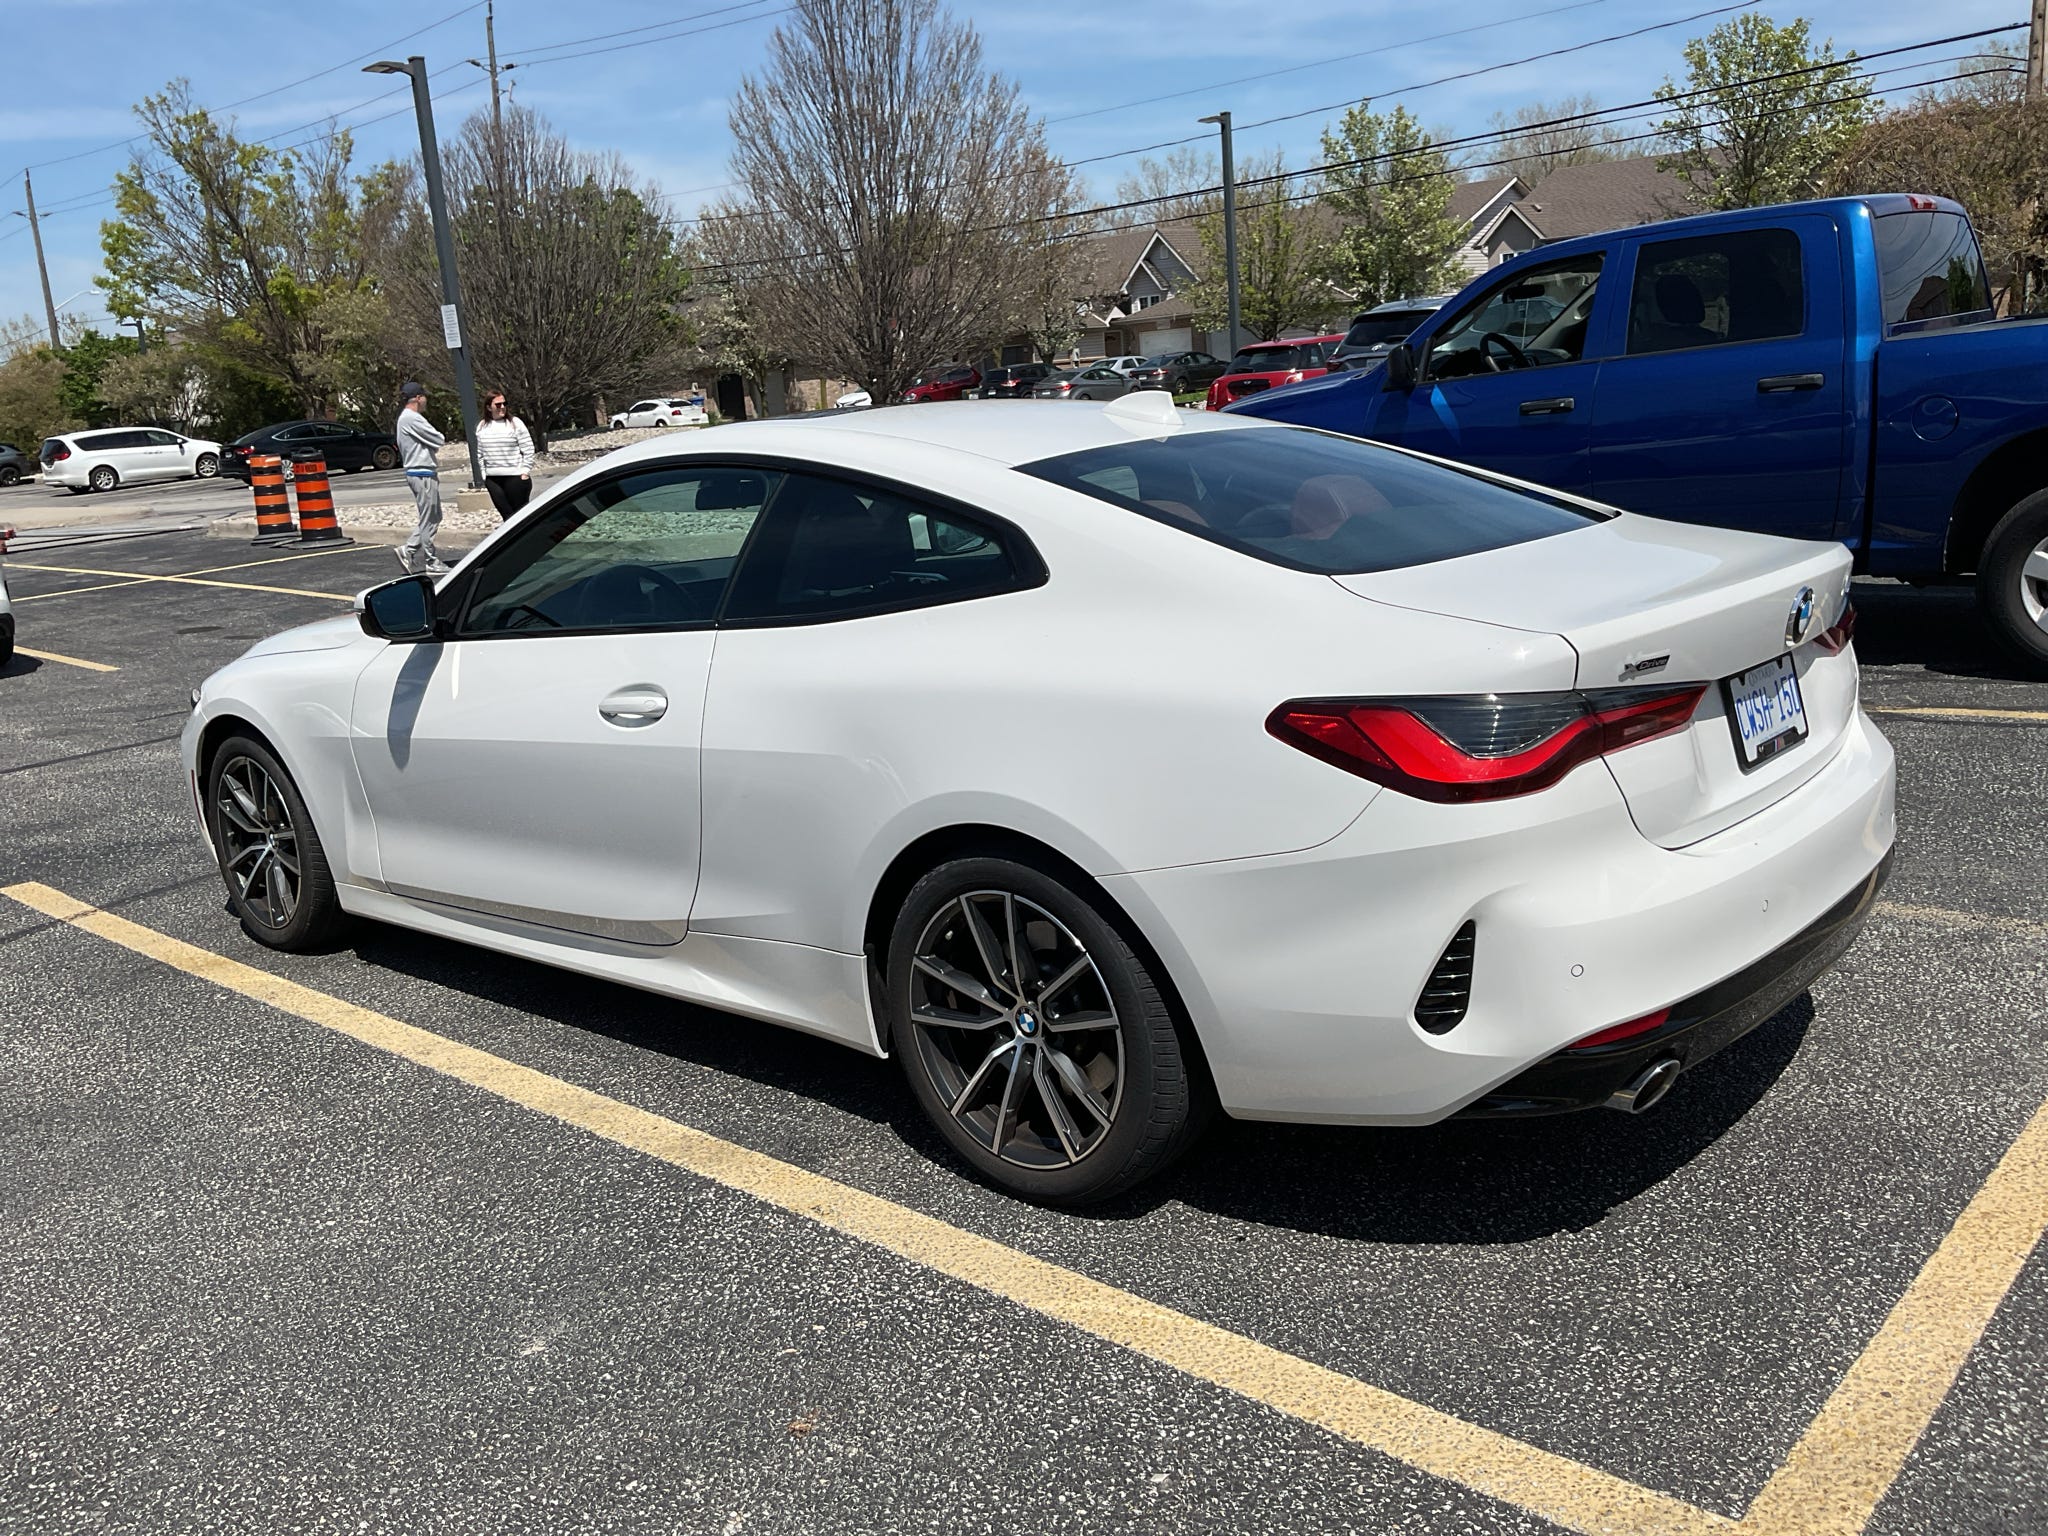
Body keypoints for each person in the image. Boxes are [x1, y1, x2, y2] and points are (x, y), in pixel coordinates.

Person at [394, 382, 449, 575]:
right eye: (424, 397)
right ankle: (429, 559)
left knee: (433, 516)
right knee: (429, 518)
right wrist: (433, 443)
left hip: (421, 472)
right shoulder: (412, 418)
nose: (426, 400)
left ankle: (410, 550)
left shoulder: (406, 418)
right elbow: (438, 439)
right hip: (421, 472)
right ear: (418, 398)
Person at [474, 391, 536, 520]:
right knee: (507, 517)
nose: (502, 407)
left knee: (520, 517)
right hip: (493, 479)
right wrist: (484, 474)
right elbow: (480, 453)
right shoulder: (482, 426)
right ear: (489, 407)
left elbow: (528, 448)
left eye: (504, 403)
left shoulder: (515, 423)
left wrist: (525, 471)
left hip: (515, 477)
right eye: (498, 404)